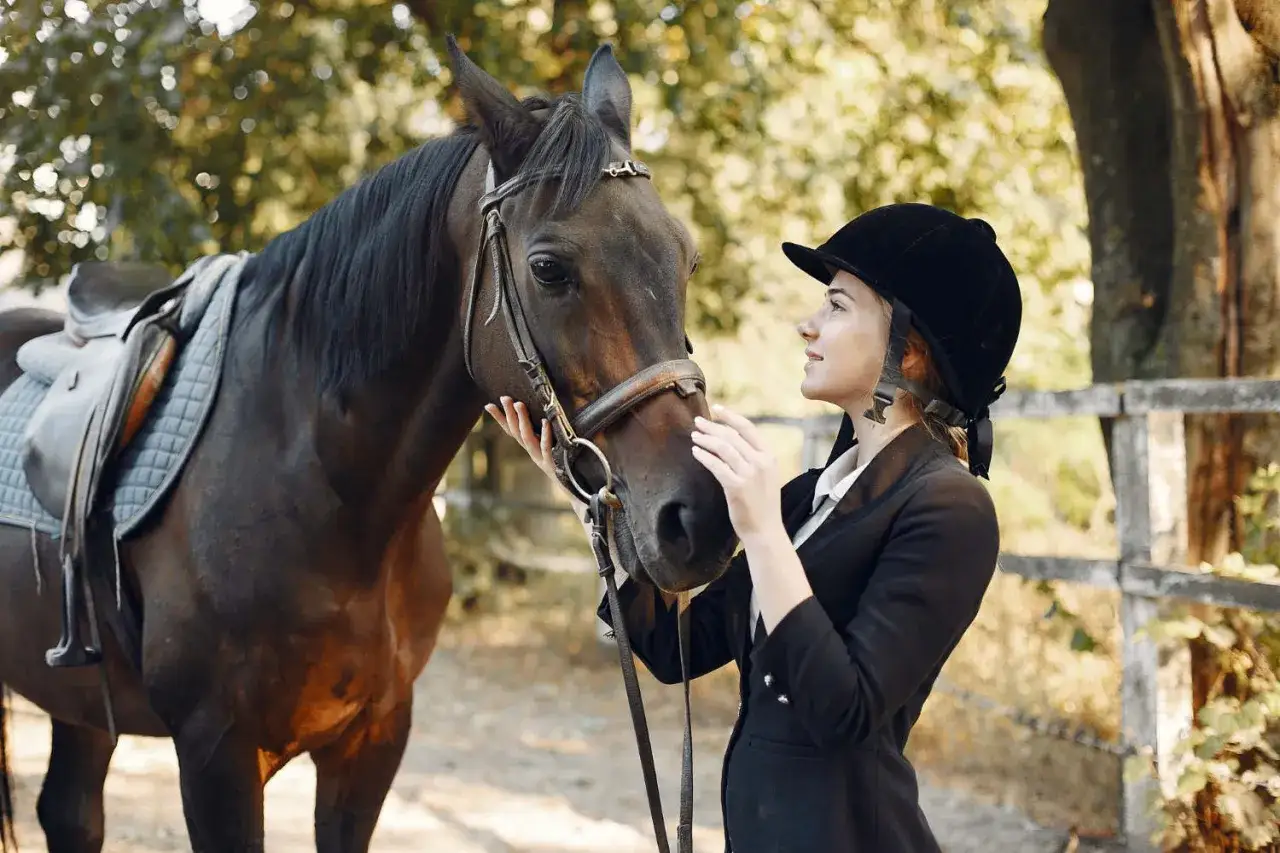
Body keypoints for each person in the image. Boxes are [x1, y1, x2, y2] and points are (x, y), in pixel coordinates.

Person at [484, 202, 1022, 853]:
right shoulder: (805, 499)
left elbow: (845, 711)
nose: (808, 324)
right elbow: (674, 648)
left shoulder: (949, 509)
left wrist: (763, 531)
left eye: (838, 306)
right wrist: (587, 497)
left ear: (906, 353)